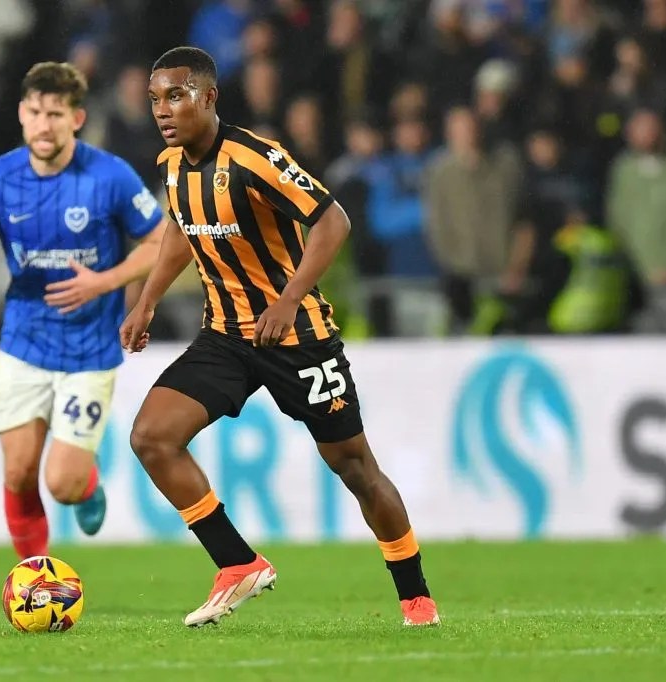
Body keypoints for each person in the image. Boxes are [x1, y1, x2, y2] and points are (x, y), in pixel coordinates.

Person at [120, 47, 440, 628]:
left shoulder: (256, 157)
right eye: (154, 100)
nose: (162, 111)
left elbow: (332, 220)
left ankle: (416, 599)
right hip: (225, 338)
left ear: (209, 97)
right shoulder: (171, 165)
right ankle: (237, 563)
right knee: (151, 437)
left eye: (175, 96)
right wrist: (146, 299)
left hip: (297, 337)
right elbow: (179, 229)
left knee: (355, 467)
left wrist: (289, 299)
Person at [0, 62, 166, 560]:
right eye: (37, 112)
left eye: (56, 114)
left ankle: (86, 485)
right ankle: (35, 580)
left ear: (76, 119)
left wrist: (103, 283)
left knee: (61, 483)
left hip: (89, 349)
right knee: (19, 473)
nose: (45, 124)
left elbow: (161, 242)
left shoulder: (108, 175)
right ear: (22, 114)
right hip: (24, 342)